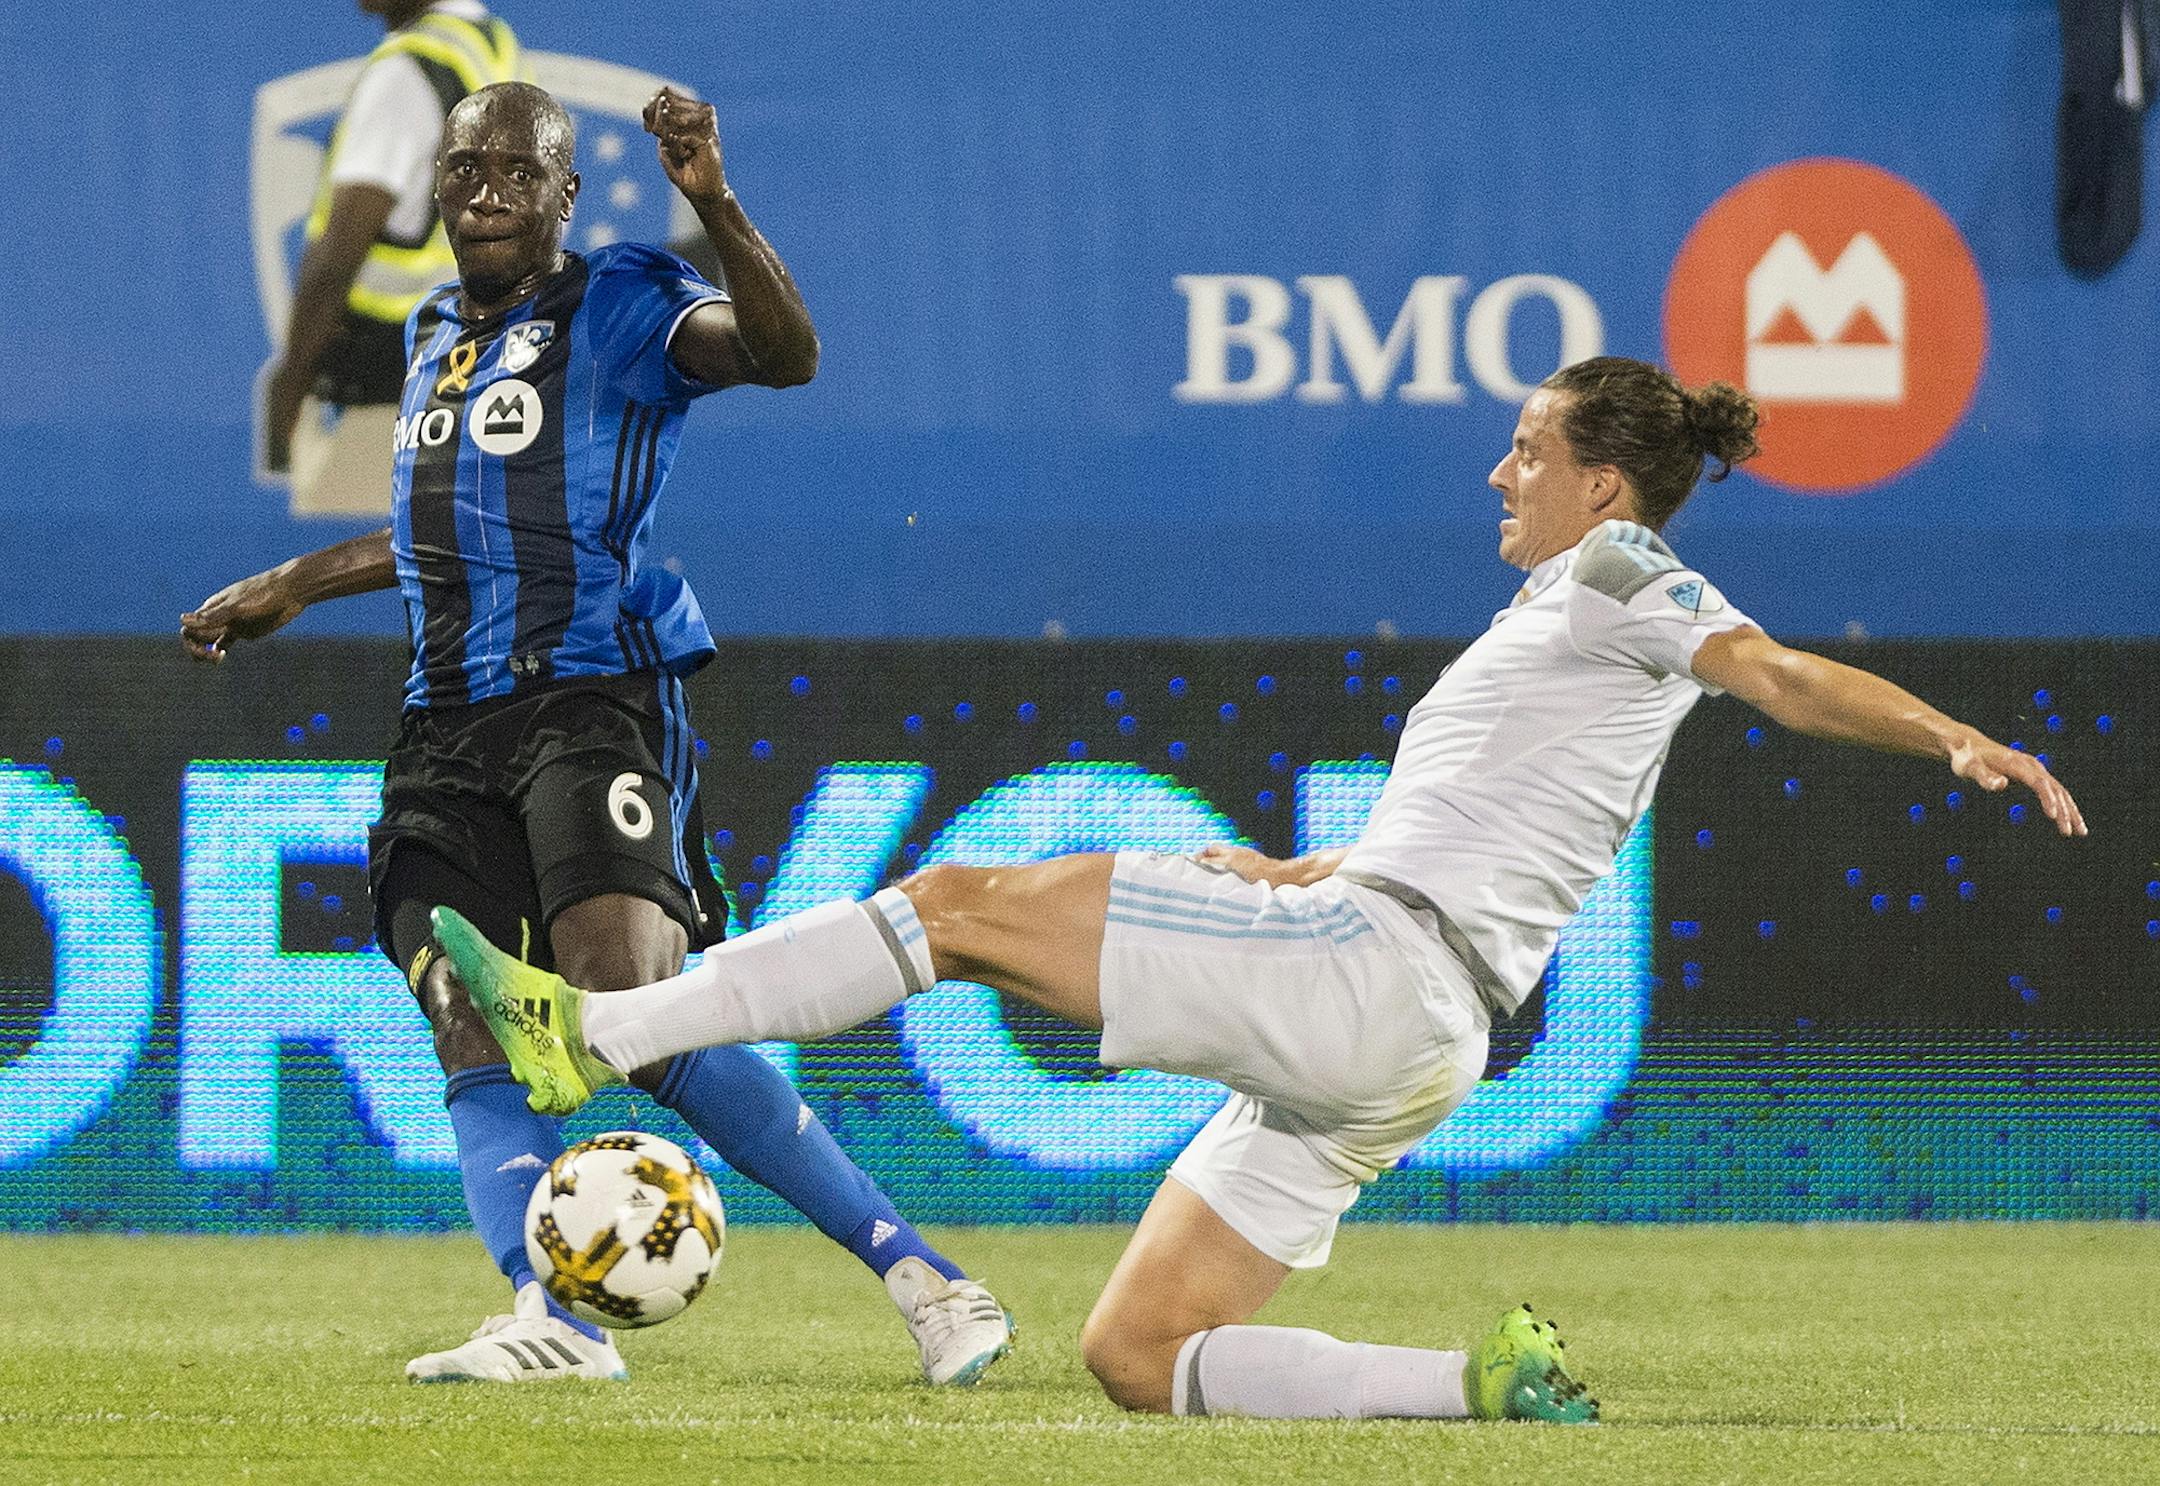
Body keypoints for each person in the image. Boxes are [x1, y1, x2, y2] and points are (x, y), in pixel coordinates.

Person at [432, 355, 2088, 1422]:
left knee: (950, 910)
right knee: (1137, 1356)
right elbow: (1495, 833)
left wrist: (1953, 736)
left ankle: (598, 1030)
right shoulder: (1561, 627)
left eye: (1526, 450)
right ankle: (1478, 1389)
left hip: (1371, 978)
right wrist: (1304, 868)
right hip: (1421, 1035)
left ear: (1604, 483)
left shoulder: (1622, 570)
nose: (1499, 477)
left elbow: (1776, 670)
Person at [185, 81, 1014, 1388]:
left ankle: (928, 1277)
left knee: (638, 1010)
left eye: (520, 172)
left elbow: (786, 353)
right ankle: (551, 1317)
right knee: (465, 1012)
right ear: (438, 191)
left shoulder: (622, 300)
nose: (488, 192)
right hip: (442, 727)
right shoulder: (433, 331)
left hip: (590, 699)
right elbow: (442, 529)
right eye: (465, 171)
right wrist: (301, 579)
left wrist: (714, 201)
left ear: (568, 194)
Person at [261, 1, 520, 517]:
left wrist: (289, 380)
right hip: (462, 369)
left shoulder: (407, 74)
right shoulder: (488, 42)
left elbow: (341, 251)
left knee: (341, 579)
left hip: (385, 397)